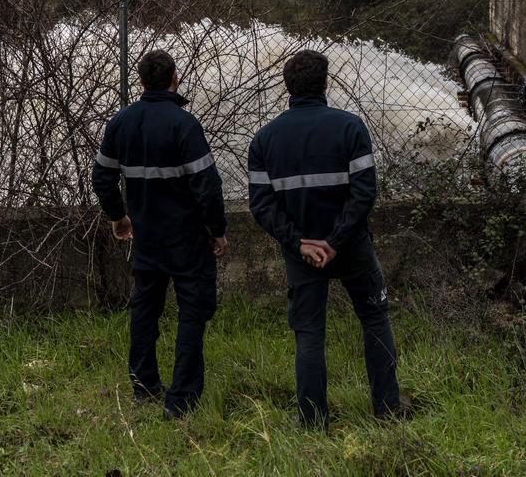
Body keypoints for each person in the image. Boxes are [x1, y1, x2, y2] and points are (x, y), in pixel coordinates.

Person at [247, 49, 404, 429]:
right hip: (351, 247)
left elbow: (262, 205)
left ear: (288, 87)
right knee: (374, 319)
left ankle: (313, 420)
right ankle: (387, 410)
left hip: (302, 254)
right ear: (325, 83)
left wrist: (299, 243)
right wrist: (335, 241)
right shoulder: (350, 128)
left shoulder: (264, 140)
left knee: (309, 333)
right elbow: (364, 192)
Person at [91, 50, 227, 419]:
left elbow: (102, 177)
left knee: (145, 310)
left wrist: (118, 216)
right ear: (174, 78)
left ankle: (144, 386)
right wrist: (217, 230)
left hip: (146, 236)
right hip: (187, 239)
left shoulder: (121, 122)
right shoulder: (184, 124)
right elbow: (207, 186)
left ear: (141, 80)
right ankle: (181, 400)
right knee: (192, 314)